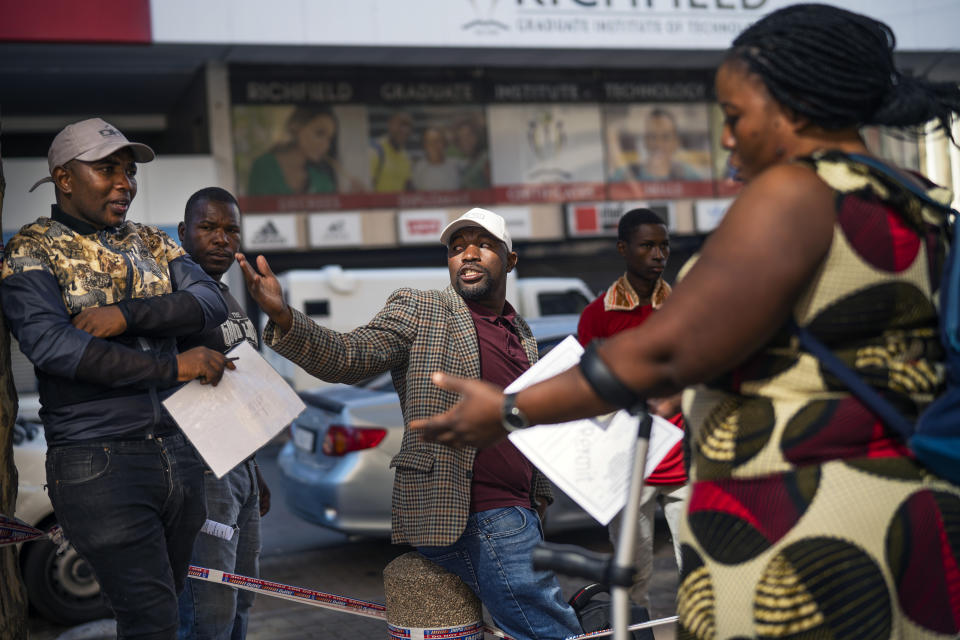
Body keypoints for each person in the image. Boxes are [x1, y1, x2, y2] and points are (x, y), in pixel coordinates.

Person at [411, 5, 960, 638]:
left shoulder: (794, 193)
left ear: (795, 108)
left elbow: (665, 352)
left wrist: (509, 411)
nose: (727, 138)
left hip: (799, 529)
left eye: (734, 117)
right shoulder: (913, 195)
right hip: (907, 513)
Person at [237, 207, 582, 640]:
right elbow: (350, 355)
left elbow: (528, 426)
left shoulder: (523, 333)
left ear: (510, 260)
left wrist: (540, 496)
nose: (468, 255)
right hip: (471, 511)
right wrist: (285, 317)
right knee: (551, 630)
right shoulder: (422, 309)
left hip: (520, 511)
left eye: (483, 245)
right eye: (457, 248)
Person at [0, 118, 231, 639]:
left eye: (129, 172)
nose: (125, 183)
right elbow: (58, 348)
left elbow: (209, 302)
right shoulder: (31, 250)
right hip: (98, 458)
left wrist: (126, 315)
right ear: (64, 177)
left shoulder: (152, 240)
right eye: (108, 170)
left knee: (164, 608)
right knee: (152, 620)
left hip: (178, 447)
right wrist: (175, 365)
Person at [576, 208, 687, 610]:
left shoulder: (686, 308)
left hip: (685, 464)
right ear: (624, 249)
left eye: (664, 245)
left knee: (699, 574)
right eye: (647, 246)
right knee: (632, 579)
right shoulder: (597, 315)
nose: (659, 254)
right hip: (625, 470)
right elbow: (585, 390)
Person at [176, 187, 270, 640]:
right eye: (208, 227)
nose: (221, 239)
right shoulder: (175, 294)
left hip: (241, 467)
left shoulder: (228, 296)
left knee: (240, 598)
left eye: (230, 229)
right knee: (208, 608)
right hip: (203, 469)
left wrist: (255, 472)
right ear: (183, 233)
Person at [247, 106, 339, 196]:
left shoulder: (322, 181)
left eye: (329, 139)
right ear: (296, 126)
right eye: (319, 133)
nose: (325, 145)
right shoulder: (264, 167)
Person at [611, 109, 703, 182]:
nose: (659, 144)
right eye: (653, 137)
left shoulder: (689, 176)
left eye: (666, 137)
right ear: (645, 140)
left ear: (676, 142)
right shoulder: (623, 177)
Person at [370, 110, 414, 192]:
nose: (404, 129)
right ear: (389, 125)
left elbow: (407, 186)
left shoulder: (406, 157)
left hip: (397, 204)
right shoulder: (375, 150)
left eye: (408, 126)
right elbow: (367, 185)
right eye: (401, 124)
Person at [411, 127, 460, 191]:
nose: (433, 145)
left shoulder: (456, 166)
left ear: (444, 143)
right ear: (424, 145)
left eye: (437, 141)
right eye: (429, 142)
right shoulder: (417, 168)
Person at [451, 117, 490, 190]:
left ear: (477, 136)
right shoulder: (464, 163)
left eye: (469, 135)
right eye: (461, 137)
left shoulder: (485, 160)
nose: (466, 141)